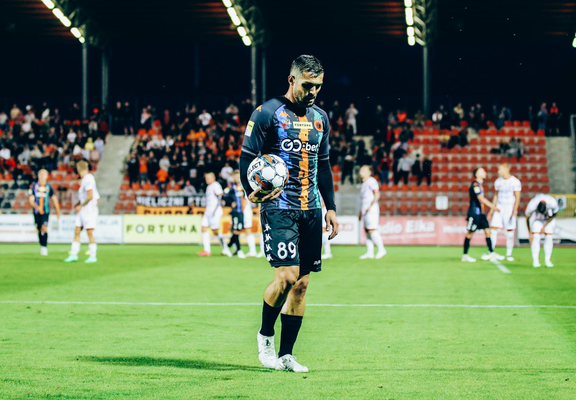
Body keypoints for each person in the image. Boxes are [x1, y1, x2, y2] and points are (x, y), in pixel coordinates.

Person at [239, 55, 339, 373]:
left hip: (311, 209)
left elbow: (323, 164)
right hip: (279, 207)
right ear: (291, 80)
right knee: (286, 277)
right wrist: (250, 190)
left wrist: (331, 207)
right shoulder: (267, 112)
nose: (313, 92)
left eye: (318, 86)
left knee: (301, 285)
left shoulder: (320, 118)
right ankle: (265, 337)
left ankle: (286, 355)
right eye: (307, 85)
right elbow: (246, 157)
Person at [461, 167, 501, 263]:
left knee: (488, 231)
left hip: (480, 214)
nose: (484, 172)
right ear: (477, 174)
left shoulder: (480, 185)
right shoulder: (475, 185)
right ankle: (465, 255)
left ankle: (491, 252)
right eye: (482, 171)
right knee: (470, 233)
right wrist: (493, 206)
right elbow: (480, 198)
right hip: (474, 213)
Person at [64, 161, 100, 263]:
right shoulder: (86, 179)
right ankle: (73, 254)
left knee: (89, 232)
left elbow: (90, 196)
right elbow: (95, 198)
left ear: (78, 169)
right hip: (83, 210)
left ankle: (93, 256)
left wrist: (81, 205)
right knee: (77, 230)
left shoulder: (88, 179)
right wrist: (79, 204)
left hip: (88, 211)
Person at [488, 163, 522, 261]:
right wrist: (492, 209)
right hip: (499, 208)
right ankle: (491, 251)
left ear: (507, 169)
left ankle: (509, 254)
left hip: (509, 208)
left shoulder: (515, 181)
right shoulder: (498, 182)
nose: (498, 171)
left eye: (500, 169)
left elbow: (517, 197)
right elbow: (496, 195)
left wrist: (514, 210)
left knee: (510, 233)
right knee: (493, 230)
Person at [197, 172, 231, 257]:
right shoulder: (208, 187)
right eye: (206, 178)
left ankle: (225, 248)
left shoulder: (216, 185)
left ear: (213, 178)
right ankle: (207, 250)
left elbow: (220, 196)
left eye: (208, 178)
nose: (207, 180)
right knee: (203, 227)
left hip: (215, 212)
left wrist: (216, 209)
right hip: (208, 211)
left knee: (215, 231)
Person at [28, 169, 61, 256]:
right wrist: (37, 207)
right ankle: (42, 244)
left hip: (45, 212)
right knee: (39, 229)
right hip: (36, 212)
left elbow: (54, 199)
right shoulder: (33, 186)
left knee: (44, 228)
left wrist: (58, 211)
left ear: (47, 176)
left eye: (44, 174)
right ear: (38, 175)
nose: (42, 176)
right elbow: (31, 200)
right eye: (41, 174)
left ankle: (44, 247)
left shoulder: (49, 187)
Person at [358, 165, 386, 260]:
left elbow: (377, 195)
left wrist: (370, 206)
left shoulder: (372, 181)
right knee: (367, 231)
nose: (361, 172)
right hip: (365, 210)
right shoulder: (363, 183)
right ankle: (370, 252)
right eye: (361, 170)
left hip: (371, 210)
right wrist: (360, 212)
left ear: (369, 172)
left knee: (372, 230)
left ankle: (382, 249)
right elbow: (363, 200)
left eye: (364, 170)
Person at [526, 194, 558, 268]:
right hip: (537, 219)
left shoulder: (553, 203)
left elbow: (554, 215)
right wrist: (529, 232)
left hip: (548, 220)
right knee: (536, 237)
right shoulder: (532, 204)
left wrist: (544, 226)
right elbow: (527, 218)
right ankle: (535, 261)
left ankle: (547, 260)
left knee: (549, 237)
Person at [225, 170, 247, 258]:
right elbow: (224, 196)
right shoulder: (232, 188)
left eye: (239, 177)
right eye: (236, 177)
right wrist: (230, 202)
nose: (238, 178)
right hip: (235, 212)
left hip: (241, 211)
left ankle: (227, 246)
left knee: (238, 230)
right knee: (236, 230)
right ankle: (239, 250)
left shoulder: (242, 187)